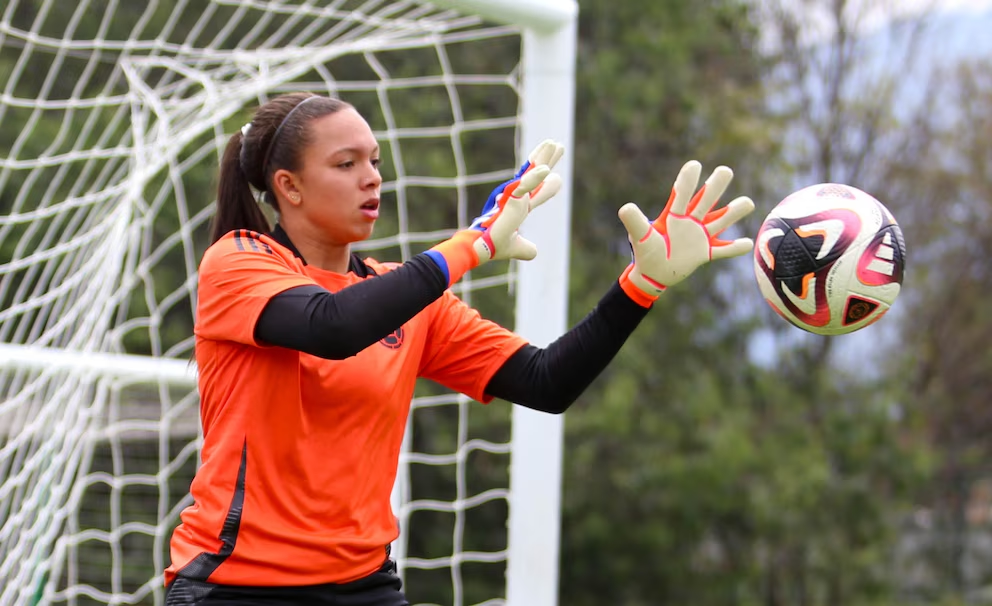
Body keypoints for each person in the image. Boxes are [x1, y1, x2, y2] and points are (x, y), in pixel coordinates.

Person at [164, 92, 755, 605]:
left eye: (374, 161)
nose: (371, 177)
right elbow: (332, 327)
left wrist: (639, 287)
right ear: (287, 186)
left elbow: (546, 382)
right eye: (346, 164)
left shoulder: (405, 297)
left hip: (363, 586)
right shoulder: (238, 261)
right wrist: (470, 244)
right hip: (239, 588)